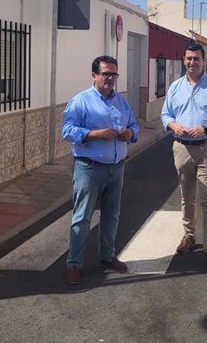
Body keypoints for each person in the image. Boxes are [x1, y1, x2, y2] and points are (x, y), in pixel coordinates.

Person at [62, 55, 139, 285]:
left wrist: (130, 134)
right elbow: (67, 131)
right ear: (94, 75)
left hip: (116, 168)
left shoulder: (121, 102)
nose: (110, 78)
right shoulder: (80, 101)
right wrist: (96, 134)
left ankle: (107, 256)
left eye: (113, 74)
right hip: (89, 168)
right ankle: (74, 264)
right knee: (82, 217)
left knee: (111, 216)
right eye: (105, 73)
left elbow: (134, 125)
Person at [161, 43, 207, 270]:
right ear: (184, 60)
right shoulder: (175, 87)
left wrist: (206, 129)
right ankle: (189, 236)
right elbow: (165, 114)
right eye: (189, 58)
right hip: (181, 148)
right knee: (186, 196)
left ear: (204, 61)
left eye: (197, 59)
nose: (192, 62)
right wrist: (173, 125)